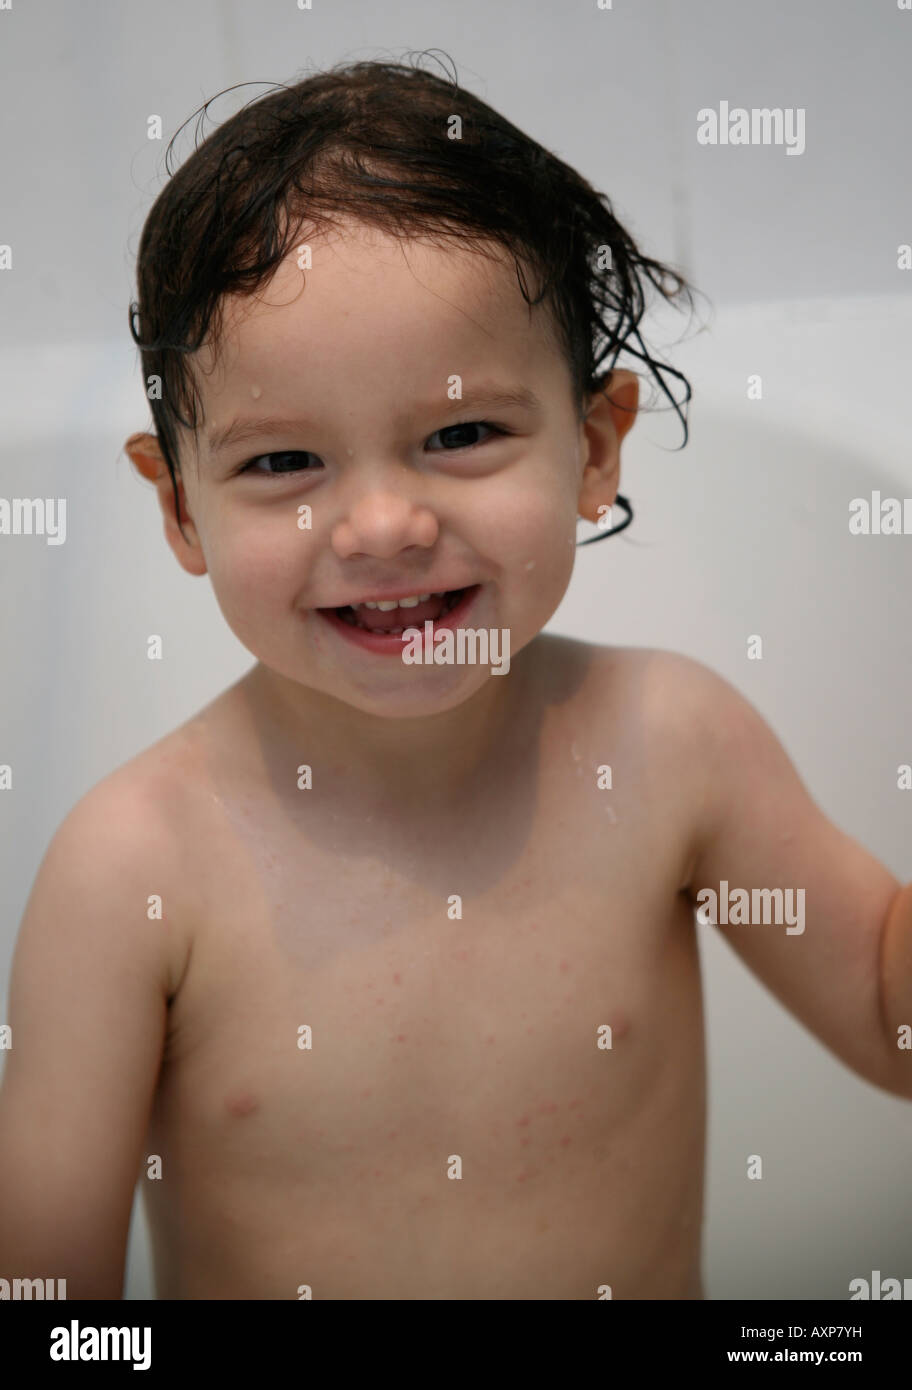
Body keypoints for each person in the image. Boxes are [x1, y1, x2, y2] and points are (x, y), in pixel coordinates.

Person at [1, 55, 909, 1301]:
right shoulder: (132, 871)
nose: (380, 523)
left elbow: (883, 1005)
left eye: (462, 434)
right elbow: (49, 1300)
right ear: (180, 510)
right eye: (284, 462)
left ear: (593, 449)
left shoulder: (672, 747)